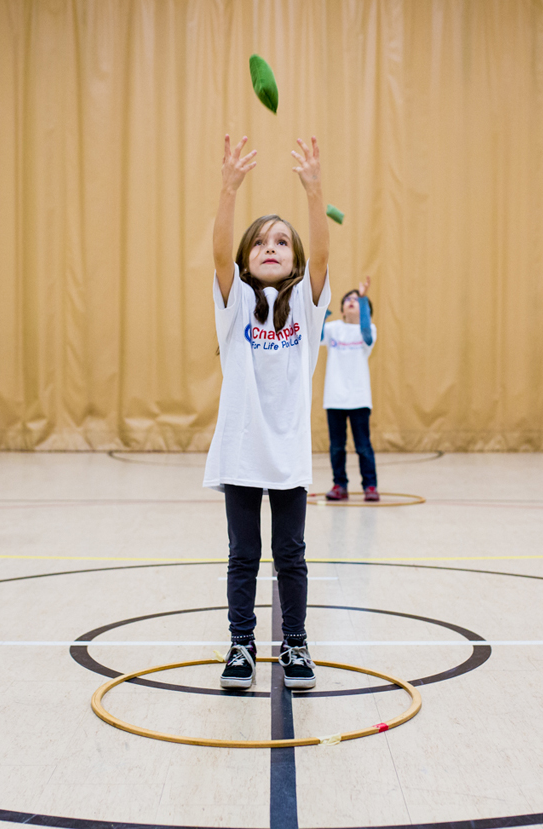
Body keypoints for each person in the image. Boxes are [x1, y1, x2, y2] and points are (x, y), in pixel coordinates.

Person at [204, 134, 330, 691]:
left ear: (295, 259)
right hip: (240, 451)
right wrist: (228, 189)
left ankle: (296, 643)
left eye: (282, 241)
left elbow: (324, 255)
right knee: (242, 556)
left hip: (288, 455)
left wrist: (314, 190)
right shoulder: (235, 306)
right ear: (247, 260)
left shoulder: (306, 304)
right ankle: (240, 644)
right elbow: (218, 251)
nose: (271, 247)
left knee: (291, 556)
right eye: (260, 243)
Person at [321, 276, 379, 501]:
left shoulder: (369, 330)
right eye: (348, 299)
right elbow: (316, 333)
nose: (351, 301)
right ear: (342, 309)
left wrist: (363, 298)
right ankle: (339, 485)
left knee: (363, 446)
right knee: (337, 447)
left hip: (359, 398)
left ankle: (370, 486)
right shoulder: (333, 329)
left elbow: (365, 334)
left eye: (356, 300)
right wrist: (320, 303)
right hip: (334, 398)